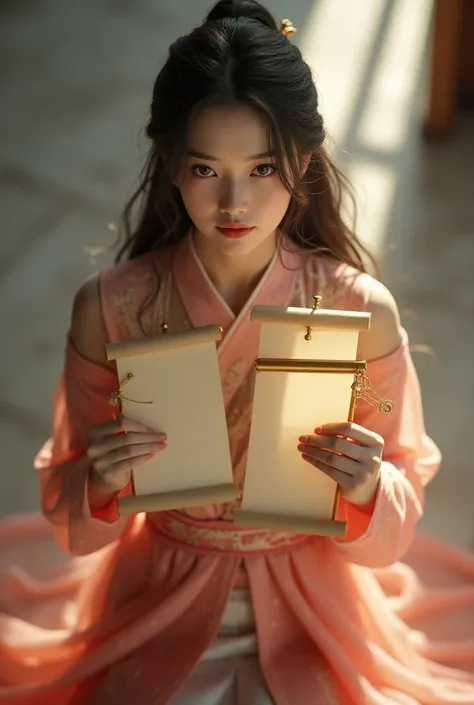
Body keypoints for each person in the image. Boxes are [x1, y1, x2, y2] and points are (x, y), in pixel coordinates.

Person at [1, 1, 473, 703]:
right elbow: (71, 515)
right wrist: (100, 480)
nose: (233, 201)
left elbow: (399, 501)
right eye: (204, 168)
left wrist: (370, 488)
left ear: (304, 162)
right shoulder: (109, 307)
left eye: (262, 169)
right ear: (169, 165)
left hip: (319, 601)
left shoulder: (359, 308)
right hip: (154, 594)